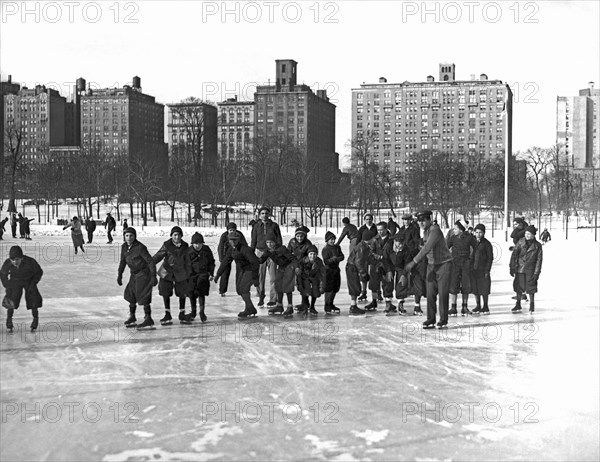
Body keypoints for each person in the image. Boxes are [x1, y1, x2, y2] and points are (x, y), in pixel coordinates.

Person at [405, 210, 453, 329]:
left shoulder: (434, 230)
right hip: (432, 265)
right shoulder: (425, 232)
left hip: (444, 264)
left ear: (429, 220)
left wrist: (413, 262)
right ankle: (431, 319)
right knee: (430, 293)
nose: (421, 223)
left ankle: (443, 320)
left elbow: (427, 247)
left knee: (442, 293)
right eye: (419, 221)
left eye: (423, 220)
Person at [117, 227, 157, 330]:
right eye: (127, 236)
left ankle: (148, 318)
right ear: (124, 237)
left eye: (131, 236)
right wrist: (119, 275)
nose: (129, 238)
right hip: (134, 274)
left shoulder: (140, 247)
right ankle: (132, 316)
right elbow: (123, 262)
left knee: (143, 295)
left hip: (144, 273)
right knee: (131, 295)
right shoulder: (124, 247)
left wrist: (153, 276)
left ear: (135, 236)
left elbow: (150, 261)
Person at [215, 230, 261, 319]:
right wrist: (218, 274)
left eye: (235, 240)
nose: (233, 242)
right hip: (243, 270)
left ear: (239, 240)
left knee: (243, 289)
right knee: (239, 290)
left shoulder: (245, 249)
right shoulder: (231, 249)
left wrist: (255, 278)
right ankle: (250, 308)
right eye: (231, 240)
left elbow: (255, 263)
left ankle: (250, 308)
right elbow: (225, 261)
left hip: (250, 270)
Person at [153, 226, 191, 325]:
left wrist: (188, 273)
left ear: (181, 236)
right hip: (167, 272)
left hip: (180, 272)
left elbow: (187, 261)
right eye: (175, 235)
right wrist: (149, 262)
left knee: (182, 292)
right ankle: (167, 314)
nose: (177, 237)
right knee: (165, 292)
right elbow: (158, 256)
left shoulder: (185, 246)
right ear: (171, 236)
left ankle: (182, 313)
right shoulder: (167, 245)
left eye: (179, 235)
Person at [1, 246, 43, 333]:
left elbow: (39, 271)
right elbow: (3, 274)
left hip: (28, 280)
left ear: (21, 258)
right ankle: (9, 321)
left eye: (17, 259)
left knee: (33, 299)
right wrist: (7, 285)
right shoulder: (8, 262)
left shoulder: (30, 261)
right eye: (12, 260)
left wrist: (33, 282)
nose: (15, 262)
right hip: (15, 280)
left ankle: (35, 320)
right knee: (11, 298)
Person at [257, 233, 297, 317]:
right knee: (278, 286)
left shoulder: (281, 249)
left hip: (289, 267)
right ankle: (279, 306)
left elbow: (292, 258)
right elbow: (261, 260)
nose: (269, 244)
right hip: (282, 267)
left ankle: (290, 307)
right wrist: (251, 257)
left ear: (275, 242)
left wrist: (296, 267)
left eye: (271, 242)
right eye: (267, 242)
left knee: (287, 287)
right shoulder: (267, 251)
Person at [250, 206, 282, 308]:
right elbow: (253, 240)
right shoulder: (256, 226)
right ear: (259, 215)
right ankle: (261, 296)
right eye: (262, 213)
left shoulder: (274, 225)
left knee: (273, 277)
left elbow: (279, 239)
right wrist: (251, 253)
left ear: (269, 214)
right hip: (260, 252)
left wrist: (278, 251)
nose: (264, 215)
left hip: (272, 252)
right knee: (260, 277)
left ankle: (273, 299)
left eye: (266, 213)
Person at [510, 225, 543, 314]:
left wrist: (536, 273)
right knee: (518, 287)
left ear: (533, 235)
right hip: (520, 268)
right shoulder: (520, 242)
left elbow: (539, 260)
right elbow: (514, 255)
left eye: (529, 234)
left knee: (531, 287)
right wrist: (512, 267)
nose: (527, 235)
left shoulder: (537, 245)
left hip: (531, 269)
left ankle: (532, 305)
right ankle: (518, 304)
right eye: (526, 233)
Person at [446, 220, 476, 316]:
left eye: (455, 228)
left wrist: (472, 259)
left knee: (465, 285)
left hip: (466, 264)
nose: (453, 230)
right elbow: (446, 247)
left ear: (461, 229)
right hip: (455, 264)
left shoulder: (469, 237)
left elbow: (476, 248)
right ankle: (453, 307)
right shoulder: (453, 238)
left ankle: (464, 306)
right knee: (453, 285)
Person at [186, 232, 215, 323]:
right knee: (192, 294)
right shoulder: (189, 251)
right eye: (196, 244)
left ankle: (202, 312)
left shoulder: (206, 250)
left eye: (200, 244)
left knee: (201, 292)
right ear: (192, 244)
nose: (198, 246)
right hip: (192, 275)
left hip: (203, 274)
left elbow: (211, 262)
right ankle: (193, 312)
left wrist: (211, 273)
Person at [364, 221, 393, 311]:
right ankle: (374, 301)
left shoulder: (391, 239)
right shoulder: (374, 239)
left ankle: (388, 303)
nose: (379, 232)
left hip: (387, 265)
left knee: (387, 284)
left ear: (386, 229)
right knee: (374, 284)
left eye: (381, 230)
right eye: (378, 230)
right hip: (375, 264)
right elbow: (371, 251)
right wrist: (378, 257)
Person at [344, 230, 371, 316]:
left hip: (353, 267)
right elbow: (358, 261)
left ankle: (354, 306)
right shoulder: (361, 247)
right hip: (352, 268)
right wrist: (363, 273)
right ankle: (353, 307)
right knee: (354, 287)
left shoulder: (364, 246)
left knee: (355, 287)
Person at [217, 222, 247, 297]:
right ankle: (222, 290)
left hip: (238, 253)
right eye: (230, 230)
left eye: (233, 230)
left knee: (240, 271)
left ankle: (240, 290)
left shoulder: (239, 235)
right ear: (227, 230)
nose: (232, 232)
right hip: (227, 254)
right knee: (225, 271)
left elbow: (244, 245)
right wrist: (221, 259)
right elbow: (220, 247)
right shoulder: (224, 236)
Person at [287, 226, 312, 311]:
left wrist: (304, 264)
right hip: (294, 265)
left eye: (301, 236)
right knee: (297, 284)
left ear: (304, 236)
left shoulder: (308, 243)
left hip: (304, 266)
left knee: (303, 284)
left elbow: (310, 255)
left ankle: (305, 303)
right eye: (298, 236)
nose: (299, 238)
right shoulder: (292, 242)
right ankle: (305, 302)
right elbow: (288, 253)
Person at [297, 245, 326, 316]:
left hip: (315, 278)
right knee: (305, 291)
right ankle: (305, 307)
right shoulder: (303, 261)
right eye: (311, 254)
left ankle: (312, 306)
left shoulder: (319, 261)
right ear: (308, 254)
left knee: (315, 290)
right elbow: (299, 273)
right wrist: (299, 284)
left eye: (314, 254)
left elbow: (322, 274)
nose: (312, 256)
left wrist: (322, 286)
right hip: (305, 278)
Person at [471, 224, 493, 315]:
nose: (478, 234)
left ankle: (485, 306)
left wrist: (487, 270)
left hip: (483, 269)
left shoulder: (487, 244)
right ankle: (478, 305)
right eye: (476, 232)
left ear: (484, 233)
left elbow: (490, 258)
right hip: (474, 269)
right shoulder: (473, 242)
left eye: (480, 232)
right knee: (475, 288)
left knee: (484, 288)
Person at [322, 231, 344, 315]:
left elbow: (342, 257)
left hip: (336, 270)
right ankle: (327, 305)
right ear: (327, 240)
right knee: (329, 289)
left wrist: (336, 259)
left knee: (335, 288)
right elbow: (326, 261)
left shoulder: (337, 247)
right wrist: (334, 259)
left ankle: (331, 303)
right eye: (331, 239)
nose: (332, 241)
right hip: (328, 271)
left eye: (333, 239)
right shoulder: (325, 249)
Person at [356, 213, 377, 301]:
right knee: (363, 274)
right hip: (364, 254)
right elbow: (358, 240)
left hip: (373, 254)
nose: (368, 221)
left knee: (374, 274)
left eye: (370, 219)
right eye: (367, 219)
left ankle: (377, 294)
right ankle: (363, 292)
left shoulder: (376, 228)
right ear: (364, 220)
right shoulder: (362, 229)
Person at [510, 217, 529, 301]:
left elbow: (514, 235)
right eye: (514, 224)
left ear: (521, 223)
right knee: (518, 275)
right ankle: (520, 293)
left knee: (521, 275)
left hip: (523, 256)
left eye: (516, 224)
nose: (515, 226)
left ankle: (523, 293)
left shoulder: (525, 230)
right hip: (518, 253)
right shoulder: (521, 229)